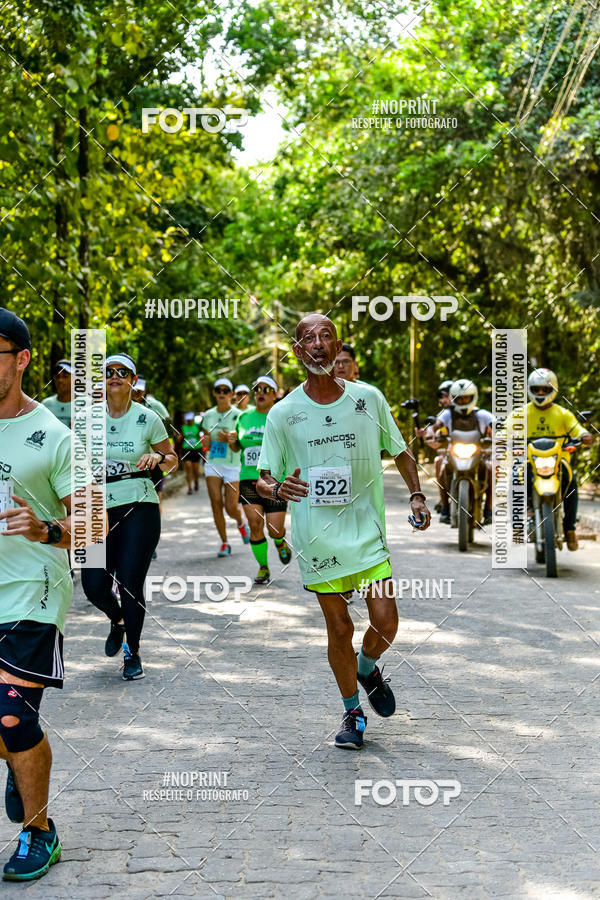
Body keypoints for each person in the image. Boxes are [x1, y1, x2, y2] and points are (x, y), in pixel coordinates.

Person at [257, 314, 430, 750]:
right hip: (318, 538)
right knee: (338, 630)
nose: (318, 344)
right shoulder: (283, 413)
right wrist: (279, 487)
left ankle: (368, 667)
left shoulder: (368, 400)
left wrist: (417, 495)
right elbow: (262, 478)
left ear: (338, 349)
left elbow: (401, 450)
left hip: (366, 534)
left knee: (386, 623)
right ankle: (352, 712)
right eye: (308, 339)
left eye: (326, 337)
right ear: (297, 352)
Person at [0, 308, 103, 881]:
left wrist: (45, 530)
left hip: (32, 592)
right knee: (9, 728)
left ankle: (39, 833)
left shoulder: (57, 437)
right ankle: (20, 767)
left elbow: (95, 526)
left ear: (22, 359)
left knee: (11, 715)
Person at [81, 353, 177, 680]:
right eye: (109, 371)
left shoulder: (148, 418)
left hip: (139, 505)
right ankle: (117, 619)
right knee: (93, 585)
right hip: (95, 508)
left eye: (123, 372)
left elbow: (172, 460)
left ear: (133, 381)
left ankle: (132, 653)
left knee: (130, 584)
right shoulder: (86, 418)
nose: (115, 376)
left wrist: (158, 456)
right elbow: (71, 465)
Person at [230, 376, 292, 584]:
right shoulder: (243, 418)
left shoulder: (282, 416)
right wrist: (232, 442)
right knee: (255, 524)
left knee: (274, 529)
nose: (261, 392)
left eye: (267, 389)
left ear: (275, 395)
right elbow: (238, 446)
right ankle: (263, 567)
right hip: (249, 479)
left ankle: (280, 541)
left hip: (275, 480)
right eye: (257, 389)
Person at [524, 368, 593, 550]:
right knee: (518, 473)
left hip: (558, 463)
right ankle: (525, 511)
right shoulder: (521, 413)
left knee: (571, 483)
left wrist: (585, 435)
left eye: (544, 389)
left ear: (552, 389)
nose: (540, 393)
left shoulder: (563, 413)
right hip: (531, 462)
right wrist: (500, 437)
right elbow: (506, 429)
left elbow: (577, 428)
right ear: (530, 389)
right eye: (536, 389)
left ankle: (570, 529)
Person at [433, 378, 494, 525]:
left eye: (466, 397)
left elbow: (498, 426)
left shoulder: (482, 414)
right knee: (440, 464)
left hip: (478, 453)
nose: (462, 401)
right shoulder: (447, 414)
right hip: (453, 453)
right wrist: (433, 431)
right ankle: (445, 508)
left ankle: (489, 509)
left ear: (473, 397)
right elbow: (436, 425)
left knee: (492, 468)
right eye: (458, 398)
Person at [201, 378, 250, 556]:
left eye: (225, 390)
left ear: (231, 394)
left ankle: (240, 522)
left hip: (233, 464)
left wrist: (232, 437)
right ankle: (224, 542)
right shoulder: (208, 415)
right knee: (216, 503)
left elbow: (243, 439)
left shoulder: (240, 415)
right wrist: (205, 442)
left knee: (230, 506)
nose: (222, 393)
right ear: (215, 393)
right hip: (213, 462)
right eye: (218, 390)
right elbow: (205, 441)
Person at [416, 380, 453, 519]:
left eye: (447, 395)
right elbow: (434, 439)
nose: (444, 399)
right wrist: (424, 435)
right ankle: (445, 505)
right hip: (452, 455)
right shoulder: (442, 417)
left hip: (474, 454)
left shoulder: (472, 412)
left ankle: (488, 508)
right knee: (439, 461)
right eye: (442, 396)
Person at [41, 360, 73, 428]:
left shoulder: (87, 403)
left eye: (65, 376)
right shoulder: (46, 405)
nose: (60, 380)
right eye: (57, 376)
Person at [181, 411, 202, 494]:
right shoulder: (183, 427)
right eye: (188, 419)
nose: (189, 421)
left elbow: (200, 438)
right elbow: (180, 438)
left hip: (196, 449)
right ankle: (189, 487)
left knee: (195, 469)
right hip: (186, 449)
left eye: (191, 419)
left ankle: (196, 482)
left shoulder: (197, 427)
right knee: (188, 467)